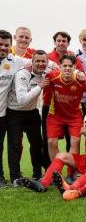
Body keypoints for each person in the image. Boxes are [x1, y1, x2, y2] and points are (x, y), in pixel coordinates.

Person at [43, 55, 86, 161]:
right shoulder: (52, 76)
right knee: (51, 142)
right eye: (64, 65)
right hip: (56, 115)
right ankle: (55, 171)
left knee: (75, 142)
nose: (67, 68)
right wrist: (45, 103)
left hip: (74, 116)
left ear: (75, 68)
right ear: (60, 67)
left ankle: (71, 173)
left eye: (70, 66)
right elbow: (45, 90)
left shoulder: (83, 81)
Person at [6, 50, 49, 184]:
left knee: (37, 144)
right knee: (15, 145)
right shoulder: (22, 75)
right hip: (14, 112)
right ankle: (15, 178)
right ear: (32, 62)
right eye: (38, 61)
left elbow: (58, 66)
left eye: (43, 61)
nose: (41, 64)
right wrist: (40, 86)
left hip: (32, 112)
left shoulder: (46, 74)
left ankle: (37, 174)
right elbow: (22, 100)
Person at [0, 30, 26, 187]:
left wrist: (76, 71)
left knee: (8, 145)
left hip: (3, 113)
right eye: (0, 44)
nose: (3, 47)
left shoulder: (15, 61)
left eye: (6, 45)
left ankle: (11, 176)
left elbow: (39, 61)